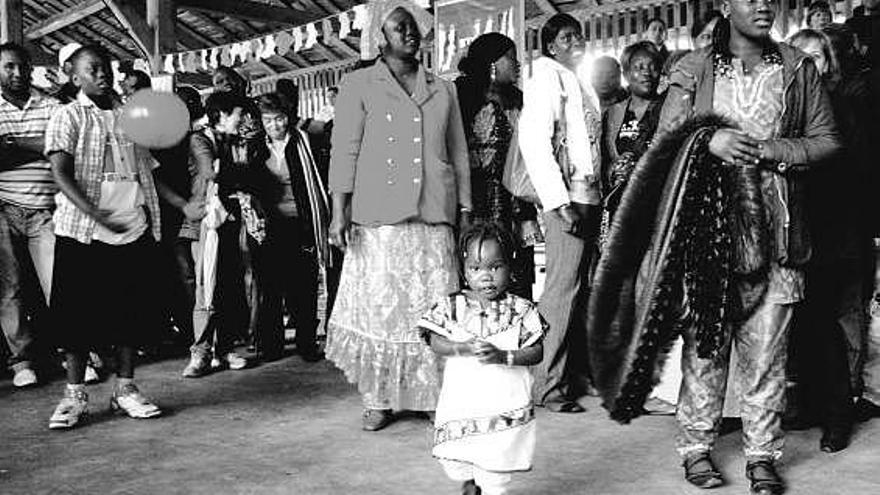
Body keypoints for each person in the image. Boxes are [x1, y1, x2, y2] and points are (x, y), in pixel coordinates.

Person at [655, 3, 840, 492]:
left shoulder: (798, 68)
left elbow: (826, 140)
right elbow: (662, 145)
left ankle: (762, 455)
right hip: (708, 234)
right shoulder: (693, 69)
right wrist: (707, 141)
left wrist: (773, 150)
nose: (762, 4)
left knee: (765, 358)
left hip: (777, 235)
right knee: (705, 352)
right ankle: (696, 448)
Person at [326, 0, 471, 432]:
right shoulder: (357, 85)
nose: (409, 33)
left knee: (433, 306)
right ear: (379, 36)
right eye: (399, 26)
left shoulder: (444, 88)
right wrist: (339, 212)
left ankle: (429, 394)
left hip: (433, 212)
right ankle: (379, 398)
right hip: (378, 217)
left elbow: (459, 153)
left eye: (413, 26)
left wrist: (464, 206)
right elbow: (344, 151)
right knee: (382, 309)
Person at [44, 45, 166, 428]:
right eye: (92, 69)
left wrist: (181, 203)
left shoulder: (131, 118)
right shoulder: (68, 116)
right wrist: (94, 212)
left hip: (132, 229)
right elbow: (60, 173)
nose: (103, 75)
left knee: (130, 316)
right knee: (77, 319)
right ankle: (75, 395)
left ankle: (125, 389)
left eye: (106, 68)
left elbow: (149, 171)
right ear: (74, 76)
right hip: (84, 234)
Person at [785, 26, 866, 453]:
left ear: (828, 64)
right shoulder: (787, 107)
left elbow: (851, 175)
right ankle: (814, 405)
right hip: (794, 232)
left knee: (823, 322)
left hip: (831, 233)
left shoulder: (840, 107)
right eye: (801, 57)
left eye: (817, 57)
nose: (809, 65)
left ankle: (837, 416)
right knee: (798, 324)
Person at [419, 223, 545, 495]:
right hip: (464, 400)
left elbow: (537, 351)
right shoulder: (452, 306)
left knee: (497, 460)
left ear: (511, 267)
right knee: (460, 456)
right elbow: (433, 339)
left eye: (495, 267)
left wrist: (503, 355)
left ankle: (490, 486)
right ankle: (471, 478)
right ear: (464, 271)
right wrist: (461, 348)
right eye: (476, 269)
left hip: (504, 401)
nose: (486, 276)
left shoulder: (523, 310)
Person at [519, 13, 602, 413]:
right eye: (567, 38)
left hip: (588, 196)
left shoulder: (578, 81)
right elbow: (535, 142)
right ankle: (547, 386)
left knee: (580, 290)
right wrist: (558, 202)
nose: (576, 42)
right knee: (561, 292)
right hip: (567, 200)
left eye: (579, 36)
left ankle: (572, 376)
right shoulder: (546, 77)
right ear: (550, 46)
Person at [183, 91, 271, 377]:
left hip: (233, 220)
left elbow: (246, 174)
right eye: (237, 114)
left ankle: (226, 348)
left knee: (231, 285)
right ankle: (200, 352)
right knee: (205, 285)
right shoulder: (200, 139)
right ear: (221, 115)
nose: (242, 119)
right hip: (208, 223)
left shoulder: (235, 142)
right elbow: (213, 173)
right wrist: (243, 174)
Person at [454, 32, 541, 299]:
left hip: (514, 204)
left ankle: (516, 333)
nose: (517, 64)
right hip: (474, 204)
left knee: (516, 273)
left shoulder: (520, 101)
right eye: (511, 58)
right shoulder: (462, 97)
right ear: (492, 63)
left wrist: (528, 211)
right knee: (478, 268)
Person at [0, 43, 60, 388]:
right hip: (3, 210)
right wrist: (38, 147)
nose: (18, 73)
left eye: (22, 67)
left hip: (45, 210)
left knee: (60, 284)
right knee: (10, 289)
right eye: (9, 67)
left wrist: (13, 145)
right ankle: (21, 362)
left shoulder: (50, 105)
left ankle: (76, 351)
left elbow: (60, 148)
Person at [256, 92, 330, 363]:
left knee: (305, 286)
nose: (274, 126)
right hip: (268, 227)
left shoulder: (304, 142)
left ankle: (306, 343)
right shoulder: (255, 147)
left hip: (302, 222)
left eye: (279, 119)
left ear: (287, 117)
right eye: (267, 120)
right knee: (271, 287)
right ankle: (272, 345)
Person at [150, 86, 207, 351]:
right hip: (172, 213)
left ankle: (195, 330)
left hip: (193, 211)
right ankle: (188, 331)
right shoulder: (161, 141)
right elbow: (156, 179)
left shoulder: (197, 138)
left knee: (194, 273)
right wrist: (183, 205)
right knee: (181, 273)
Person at [600, 41, 666, 218]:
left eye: (653, 67)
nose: (647, 73)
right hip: (621, 203)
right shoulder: (614, 113)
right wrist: (615, 170)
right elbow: (605, 159)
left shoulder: (668, 109)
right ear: (627, 74)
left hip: (657, 203)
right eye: (639, 67)